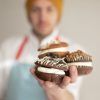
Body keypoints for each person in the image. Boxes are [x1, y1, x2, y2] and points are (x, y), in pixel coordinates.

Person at [0, 0, 85, 100]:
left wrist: (57, 92)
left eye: (49, 9)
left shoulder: (74, 52)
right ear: (28, 15)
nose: (42, 18)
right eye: (36, 10)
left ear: (58, 14)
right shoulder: (8, 47)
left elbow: (72, 97)